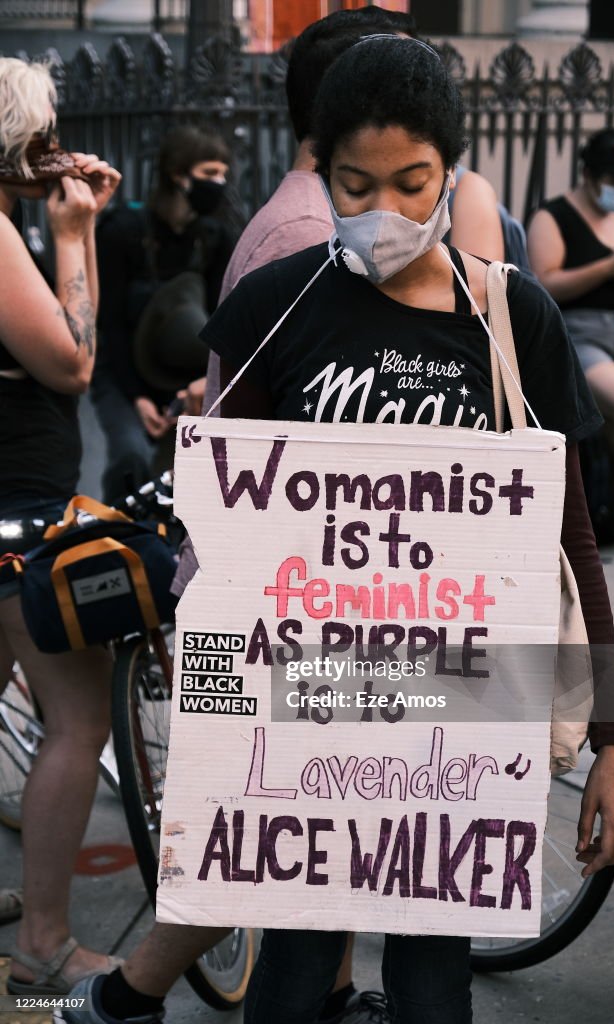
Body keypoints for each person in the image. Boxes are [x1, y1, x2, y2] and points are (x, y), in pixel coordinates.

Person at [197, 35, 614, 1023]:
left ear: (450, 170)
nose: (384, 211)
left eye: (412, 182)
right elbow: (229, 538)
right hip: (305, 710)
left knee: (433, 986)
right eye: (355, 184)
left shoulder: (509, 315)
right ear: (318, 164)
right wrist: (216, 716)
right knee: (294, 971)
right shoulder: (276, 307)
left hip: (460, 722)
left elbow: (569, 536)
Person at [59, 11, 417, 1024]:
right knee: (269, 828)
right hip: (266, 591)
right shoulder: (313, 234)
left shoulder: (319, 217)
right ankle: (126, 996)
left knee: (293, 819)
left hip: (260, 582)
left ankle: (313, 989)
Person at [0, 57, 121, 993]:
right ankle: (45, 941)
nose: (54, 148)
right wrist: (74, 239)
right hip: (17, 513)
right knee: (77, 717)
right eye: (43, 134)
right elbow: (73, 363)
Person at [527, 128, 614, 550]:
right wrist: (610, 268)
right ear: (588, 175)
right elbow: (545, 285)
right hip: (580, 335)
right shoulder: (553, 216)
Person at [92, 126, 237, 503]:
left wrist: (191, 393)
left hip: (186, 380)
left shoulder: (215, 238)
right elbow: (110, 324)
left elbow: (222, 323)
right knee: (131, 457)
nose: (218, 183)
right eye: (209, 173)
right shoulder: (122, 231)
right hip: (124, 375)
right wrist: (137, 397)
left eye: (223, 173)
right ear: (178, 173)